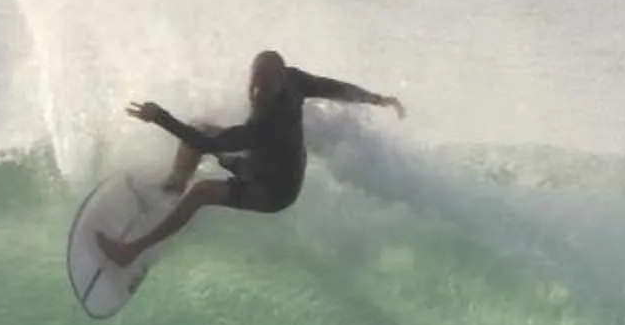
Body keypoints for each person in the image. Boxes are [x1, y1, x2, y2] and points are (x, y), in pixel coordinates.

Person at [97, 49, 404, 267]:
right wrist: (377, 99)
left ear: (279, 83)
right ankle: (171, 190)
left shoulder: (267, 123)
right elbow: (334, 88)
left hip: (273, 190)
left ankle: (131, 252)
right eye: (254, 84)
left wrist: (159, 117)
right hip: (263, 162)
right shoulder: (293, 79)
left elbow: (205, 143)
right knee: (200, 127)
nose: (257, 93)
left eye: (264, 88)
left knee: (201, 191)